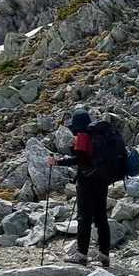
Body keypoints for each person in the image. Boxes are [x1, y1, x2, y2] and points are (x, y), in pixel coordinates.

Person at [52, 109, 111, 267]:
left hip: (87, 182)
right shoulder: (100, 136)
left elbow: (78, 160)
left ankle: (81, 254)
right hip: (102, 180)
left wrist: (57, 162)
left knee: (84, 218)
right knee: (101, 218)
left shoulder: (83, 136)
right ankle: (104, 255)